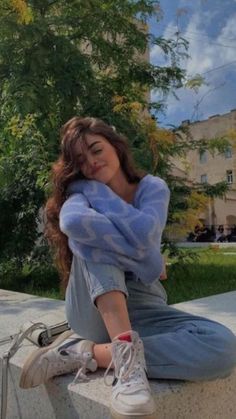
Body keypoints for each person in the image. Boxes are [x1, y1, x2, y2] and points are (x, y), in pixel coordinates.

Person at [19, 117, 236, 419]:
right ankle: (128, 369)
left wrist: (146, 252)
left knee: (224, 347)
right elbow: (73, 223)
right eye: (81, 160)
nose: (92, 162)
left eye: (96, 149)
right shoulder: (80, 194)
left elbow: (147, 232)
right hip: (94, 308)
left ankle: (84, 353)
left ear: (115, 146)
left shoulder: (152, 188)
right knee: (93, 240)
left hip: (144, 306)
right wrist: (147, 259)